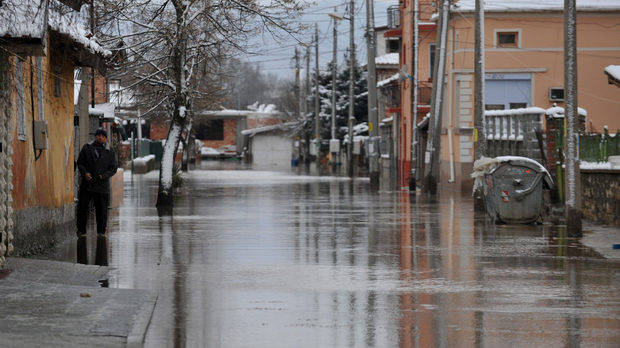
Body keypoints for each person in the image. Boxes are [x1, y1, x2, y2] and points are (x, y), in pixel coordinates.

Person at [76, 128, 118, 237]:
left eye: (103, 136)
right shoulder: (87, 148)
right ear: (95, 136)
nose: (100, 137)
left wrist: (103, 176)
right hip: (87, 183)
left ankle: (101, 231)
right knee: (82, 207)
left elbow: (113, 168)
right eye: (98, 135)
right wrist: (85, 173)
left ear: (105, 138)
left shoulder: (110, 151)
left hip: (101, 184)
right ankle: (81, 230)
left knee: (101, 209)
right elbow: (80, 163)